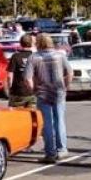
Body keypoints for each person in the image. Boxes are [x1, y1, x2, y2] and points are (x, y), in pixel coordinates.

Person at [25, 34, 72, 163]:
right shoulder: (60, 56)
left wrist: (33, 90)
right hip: (58, 91)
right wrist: (66, 86)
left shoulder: (33, 58)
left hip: (43, 93)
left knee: (47, 123)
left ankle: (50, 153)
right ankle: (62, 150)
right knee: (59, 120)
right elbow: (69, 72)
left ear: (39, 43)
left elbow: (28, 79)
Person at [6, 34, 36, 108]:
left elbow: (9, 76)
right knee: (32, 114)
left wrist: (10, 88)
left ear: (20, 43)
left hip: (18, 91)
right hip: (32, 91)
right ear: (31, 43)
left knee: (17, 114)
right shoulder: (35, 56)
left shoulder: (15, 57)